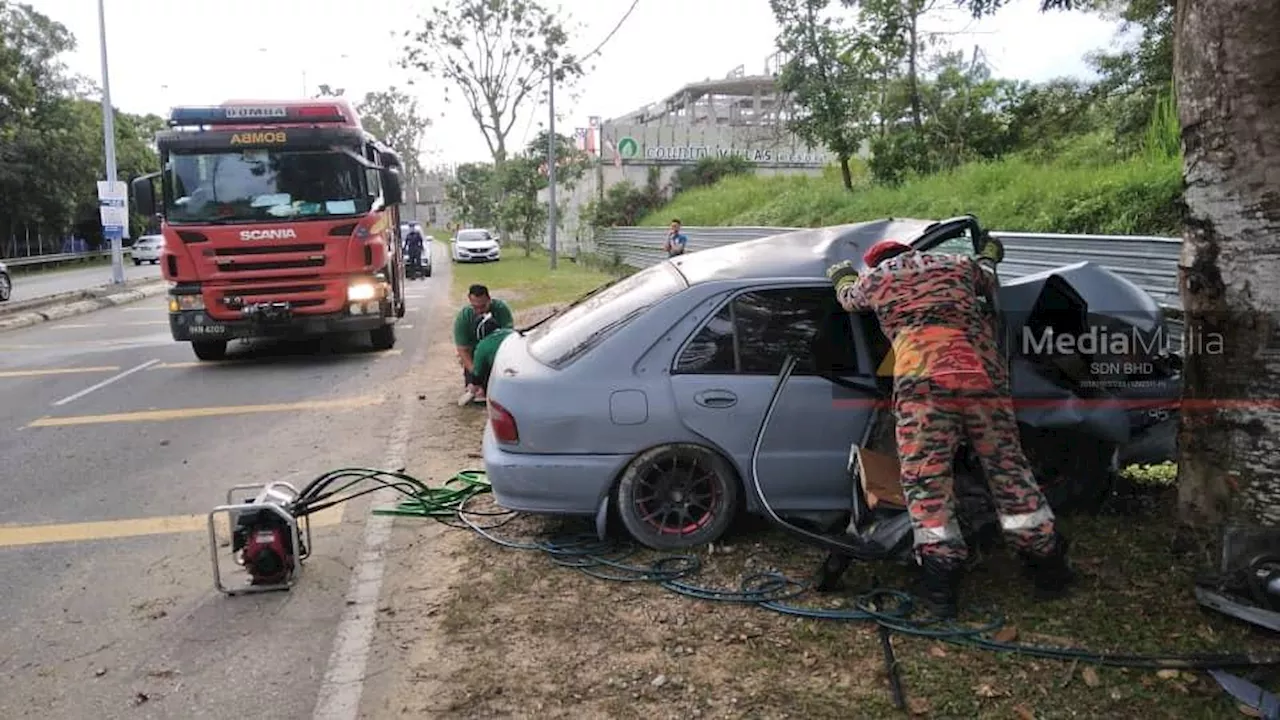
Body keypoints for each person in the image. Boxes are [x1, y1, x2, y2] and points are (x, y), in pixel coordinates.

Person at [825, 237, 1074, 619]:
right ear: (913, 252)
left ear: (878, 263)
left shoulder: (879, 279)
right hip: (980, 378)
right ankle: (1047, 565)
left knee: (928, 481)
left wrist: (841, 274)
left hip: (924, 383)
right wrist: (990, 251)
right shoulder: (956, 264)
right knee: (1007, 468)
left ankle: (941, 586)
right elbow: (988, 273)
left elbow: (848, 298)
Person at [454, 284, 514, 405]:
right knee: (476, 382)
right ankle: (474, 386)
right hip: (474, 353)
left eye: (483, 306)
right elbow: (462, 349)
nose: (480, 311)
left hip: (499, 352)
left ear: (489, 299)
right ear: (469, 301)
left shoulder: (501, 309)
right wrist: (475, 375)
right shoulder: (463, 318)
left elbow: (509, 339)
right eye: (475, 307)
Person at [469, 314, 515, 398]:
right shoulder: (512, 333)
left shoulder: (483, 345)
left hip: (504, 378)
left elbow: (478, 372)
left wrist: (475, 384)